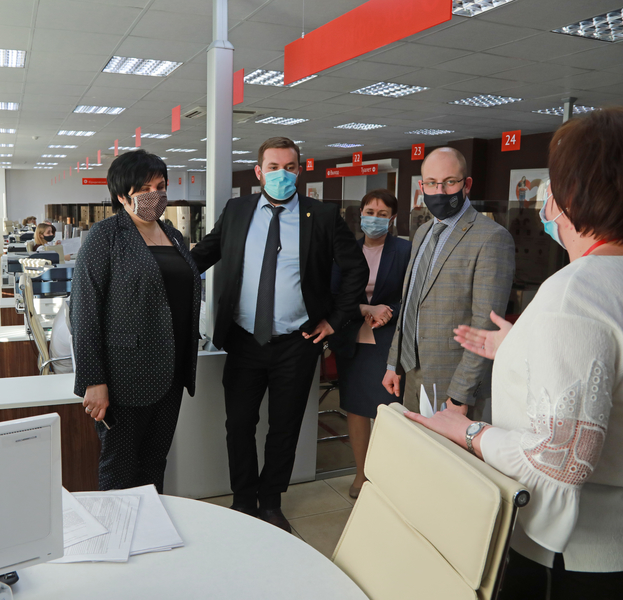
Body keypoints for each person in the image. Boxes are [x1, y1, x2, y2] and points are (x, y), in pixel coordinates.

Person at [405, 107, 623, 599]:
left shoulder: (573, 296)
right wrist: (521, 347)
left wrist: (468, 431)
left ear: (571, 195)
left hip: (572, 554)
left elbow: (560, 463)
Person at [191, 137, 368, 531]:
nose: (281, 174)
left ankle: (270, 502)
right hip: (244, 340)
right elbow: (204, 253)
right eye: (273, 167)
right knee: (239, 424)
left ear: (299, 171)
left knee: (284, 428)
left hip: (297, 344)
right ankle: (243, 499)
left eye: (289, 167)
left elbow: (356, 269)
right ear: (259, 172)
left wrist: (334, 320)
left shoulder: (322, 215)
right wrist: (159, 265)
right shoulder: (238, 210)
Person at [71, 150, 201, 493]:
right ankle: (117, 527)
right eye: (144, 189)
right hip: (124, 377)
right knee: (120, 468)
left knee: (155, 462)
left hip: (171, 372)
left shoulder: (173, 235)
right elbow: (84, 311)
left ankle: (150, 524)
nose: (155, 195)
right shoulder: (105, 236)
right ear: (121, 195)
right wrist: (93, 380)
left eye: (160, 186)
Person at [383, 147, 515, 419]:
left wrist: (461, 394)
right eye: (432, 183)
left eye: (450, 182)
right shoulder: (423, 232)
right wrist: (394, 363)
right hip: (412, 371)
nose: (440, 191)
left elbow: (486, 325)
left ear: (467, 184)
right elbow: (411, 303)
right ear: (421, 187)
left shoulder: (491, 238)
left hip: (453, 384)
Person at [328, 190, 411, 499]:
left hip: (389, 340)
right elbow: (333, 295)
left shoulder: (405, 250)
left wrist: (388, 312)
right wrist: (365, 309)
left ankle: (388, 475)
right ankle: (361, 474)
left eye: (382, 214)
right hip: (353, 337)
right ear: (360, 213)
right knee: (356, 407)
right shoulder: (345, 250)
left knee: (389, 410)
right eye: (369, 212)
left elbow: (414, 296)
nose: (374, 218)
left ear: (392, 218)